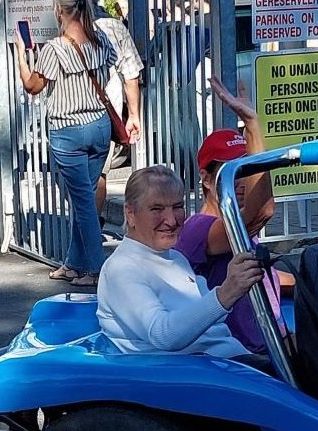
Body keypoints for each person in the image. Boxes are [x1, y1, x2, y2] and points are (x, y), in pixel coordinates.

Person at [14, 0, 142, 288]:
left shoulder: (53, 50)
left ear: (59, 11)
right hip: (98, 127)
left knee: (82, 201)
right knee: (83, 197)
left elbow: (32, 86)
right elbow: (116, 70)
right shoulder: (102, 41)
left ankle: (96, 269)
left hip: (67, 131)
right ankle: (73, 262)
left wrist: (21, 57)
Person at [96, 165, 263, 360]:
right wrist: (227, 291)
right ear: (130, 213)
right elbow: (164, 336)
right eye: (156, 209)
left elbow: (217, 317)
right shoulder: (121, 268)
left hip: (223, 362)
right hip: (188, 374)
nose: (171, 220)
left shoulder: (176, 258)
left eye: (177, 207)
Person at [175, 77, 282, 354]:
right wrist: (253, 126)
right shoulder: (198, 229)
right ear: (207, 179)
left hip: (271, 345)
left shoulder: (235, 226)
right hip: (242, 358)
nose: (243, 182)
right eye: (232, 172)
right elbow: (262, 211)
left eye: (246, 171)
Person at [93, 0, 144, 224]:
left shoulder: (60, 25)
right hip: (104, 113)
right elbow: (131, 74)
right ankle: (91, 228)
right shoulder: (113, 27)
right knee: (99, 175)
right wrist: (133, 114)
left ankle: (86, 228)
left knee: (77, 178)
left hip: (65, 117)